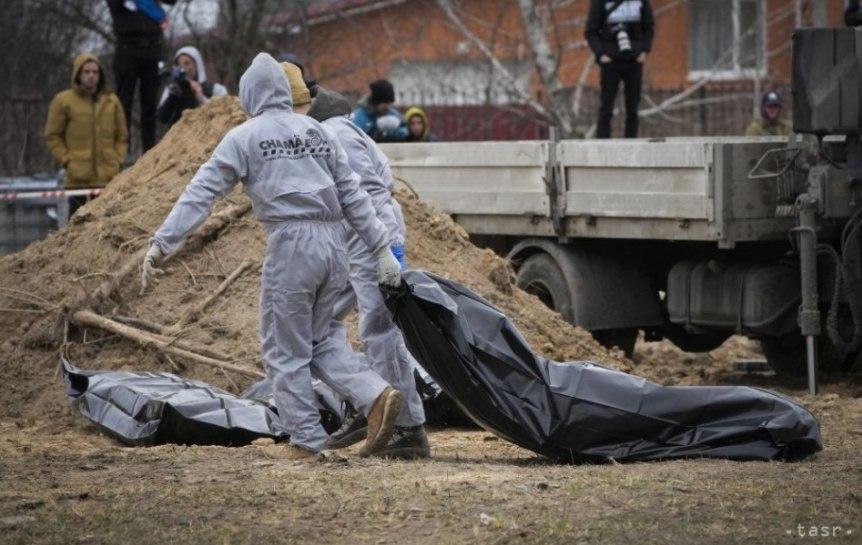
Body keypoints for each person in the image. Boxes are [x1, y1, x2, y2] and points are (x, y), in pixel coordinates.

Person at [140, 53, 405, 460]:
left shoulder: (244, 136)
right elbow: (353, 194)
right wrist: (381, 248)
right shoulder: (318, 131)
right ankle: (375, 394)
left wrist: (163, 242)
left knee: (285, 350)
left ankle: (307, 441)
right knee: (320, 339)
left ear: (249, 95)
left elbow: (202, 192)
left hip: (291, 244)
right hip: (335, 245)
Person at [308, 85, 430, 459]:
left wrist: (385, 250)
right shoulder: (344, 130)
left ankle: (407, 429)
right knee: (321, 323)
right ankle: (367, 404)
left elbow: (368, 193)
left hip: (369, 235)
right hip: (357, 237)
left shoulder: (334, 133)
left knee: (379, 329)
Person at [44, 53, 129, 216]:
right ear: (78, 73)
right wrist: (66, 160)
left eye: (95, 72)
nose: (91, 76)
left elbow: (122, 136)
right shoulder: (63, 101)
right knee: (77, 227)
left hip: (107, 178)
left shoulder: (112, 101)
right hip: (77, 180)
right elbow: (52, 136)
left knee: (107, 226)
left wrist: (117, 159)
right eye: (87, 71)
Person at [106, 0, 177, 153]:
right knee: (124, 103)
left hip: (152, 48)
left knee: (150, 106)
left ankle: (149, 152)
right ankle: (123, 152)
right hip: (127, 48)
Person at [585, 0, 654, 138]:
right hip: (610, 62)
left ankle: (632, 144)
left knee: (633, 108)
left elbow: (649, 27)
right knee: (606, 107)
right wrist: (601, 54)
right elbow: (591, 31)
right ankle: (602, 145)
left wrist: (644, 51)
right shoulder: (600, 2)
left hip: (634, 60)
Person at [157, 46, 228, 127]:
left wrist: (201, 98)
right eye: (179, 65)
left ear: (197, 64)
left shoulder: (216, 89)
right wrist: (173, 96)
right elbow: (162, 119)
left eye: (187, 63)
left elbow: (225, 115)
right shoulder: (172, 90)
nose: (183, 68)